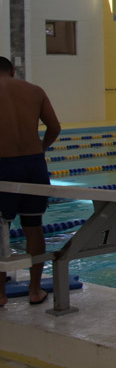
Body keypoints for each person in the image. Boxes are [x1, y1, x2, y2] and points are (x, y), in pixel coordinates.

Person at [0, 56, 61, 307]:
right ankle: (35, 290)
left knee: (1, 229)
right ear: (13, 71)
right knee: (34, 227)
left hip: (3, 164)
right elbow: (54, 127)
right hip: (34, 164)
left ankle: (0, 295)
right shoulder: (34, 90)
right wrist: (41, 149)